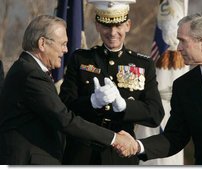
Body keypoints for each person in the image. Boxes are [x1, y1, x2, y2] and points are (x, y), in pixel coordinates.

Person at [0, 15, 138, 165]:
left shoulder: (28, 69)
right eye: (63, 44)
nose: (66, 50)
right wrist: (114, 138)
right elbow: (64, 120)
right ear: (42, 43)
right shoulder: (31, 74)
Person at [116, 13, 202, 165]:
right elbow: (174, 137)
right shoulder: (184, 85)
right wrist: (137, 146)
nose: (178, 48)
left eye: (183, 41)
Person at [59, 0, 164, 165]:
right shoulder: (80, 59)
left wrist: (124, 107)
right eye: (107, 26)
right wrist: (91, 102)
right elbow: (64, 106)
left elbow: (156, 114)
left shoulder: (143, 64)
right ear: (98, 26)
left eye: (119, 26)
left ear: (128, 25)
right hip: (82, 155)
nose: (113, 32)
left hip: (121, 156)